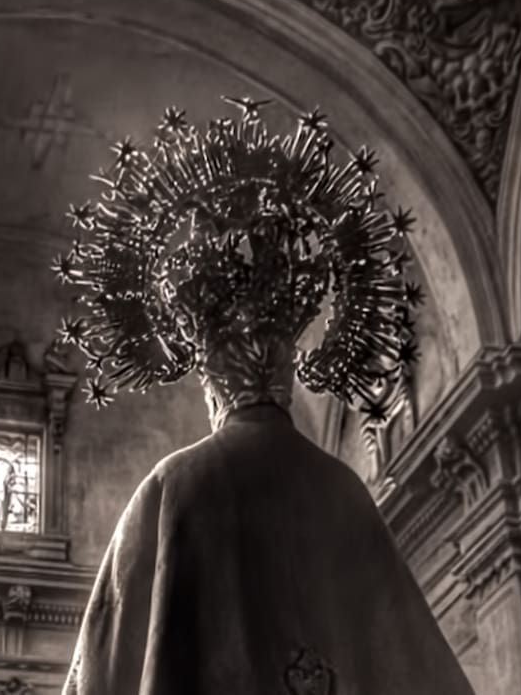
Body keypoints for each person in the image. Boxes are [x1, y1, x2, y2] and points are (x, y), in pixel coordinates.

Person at [57, 102, 476, 695]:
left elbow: (100, 671)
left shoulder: (174, 486)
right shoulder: (342, 489)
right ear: (290, 365)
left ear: (207, 376)